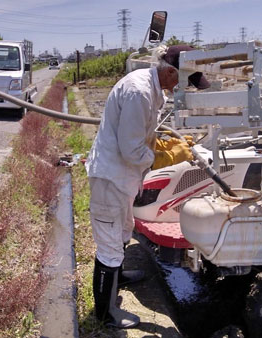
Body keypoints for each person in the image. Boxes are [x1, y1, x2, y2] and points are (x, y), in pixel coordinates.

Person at [85, 44, 209, 328]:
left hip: (123, 175)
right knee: (109, 242)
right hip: (112, 177)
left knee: (122, 230)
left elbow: (141, 134)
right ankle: (106, 314)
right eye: (183, 80)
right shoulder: (139, 93)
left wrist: (161, 144)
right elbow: (131, 149)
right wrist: (163, 157)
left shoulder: (153, 88)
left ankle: (118, 277)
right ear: (169, 71)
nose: (183, 88)